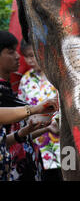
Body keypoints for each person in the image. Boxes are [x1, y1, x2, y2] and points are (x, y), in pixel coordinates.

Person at [0, 31, 59, 181]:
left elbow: (7, 139)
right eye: (11, 52)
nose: (19, 57)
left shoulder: (7, 89)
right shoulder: (24, 80)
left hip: (35, 161)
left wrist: (44, 127)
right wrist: (34, 109)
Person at [18, 40, 62, 181]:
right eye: (26, 56)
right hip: (38, 142)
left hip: (62, 140)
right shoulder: (25, 80)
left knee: (68, 173)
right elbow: (20, 110)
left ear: (42, 52)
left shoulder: (57, 75)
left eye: (33, 55)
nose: (30, 60)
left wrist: (56, 122)